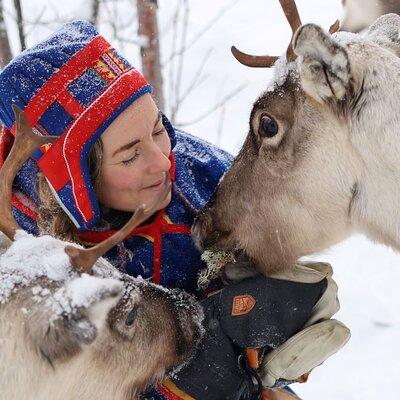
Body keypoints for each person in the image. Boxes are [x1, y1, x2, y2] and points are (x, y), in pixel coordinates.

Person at [0, 20, 350, 400]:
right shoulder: (27, 279)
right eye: (130, 154)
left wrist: (275, 331)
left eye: (156, 128)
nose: (165, 162)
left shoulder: (203, 177)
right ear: (76, 185)